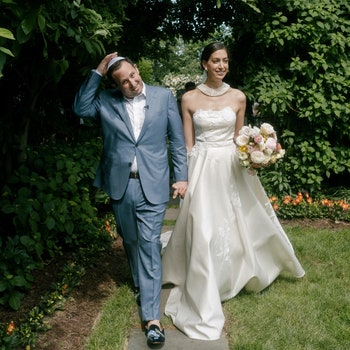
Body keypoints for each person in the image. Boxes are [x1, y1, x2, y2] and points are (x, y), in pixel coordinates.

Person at [161, 42, 305, 341]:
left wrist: (254, 155)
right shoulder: (188, 98)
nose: (221, 66)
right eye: (215, 61)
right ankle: (202, 278)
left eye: (225, 61)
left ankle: (239, 271)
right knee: (202, 225)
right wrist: (186, 178)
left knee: (239, 220)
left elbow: (241, 139)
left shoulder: (238, 97)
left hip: (230, 166)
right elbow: (188, 146)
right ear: (204, 64)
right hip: (202, 165)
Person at [73, 52, 188, 348]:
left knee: (149, 243)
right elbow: (81, 108)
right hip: (121, 185)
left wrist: (181, 176)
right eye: (124, 82)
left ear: (138, 70)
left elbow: (176, 140)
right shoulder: (107, 101)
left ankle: (152, 320)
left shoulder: (163, 97)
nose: (132, 83)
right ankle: (140, 284)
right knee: (131, 240)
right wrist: (98, 71)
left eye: (133, 76)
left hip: (154, 182)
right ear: (116, 84)